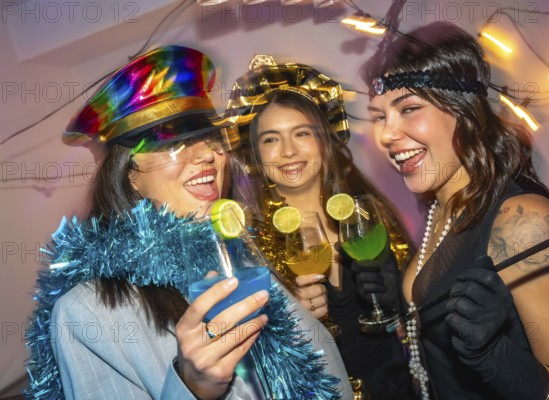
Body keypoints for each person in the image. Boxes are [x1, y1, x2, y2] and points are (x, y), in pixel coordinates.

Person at [24, 45, 353, 400]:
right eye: (174, 143)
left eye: (209, 138)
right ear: (129, 174)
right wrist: (192, 385)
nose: (207, 155)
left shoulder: (240, 258)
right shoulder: (86, 311)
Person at [361, 21, 549, 399]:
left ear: (464, 110)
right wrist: (405, 310)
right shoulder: (442, 207)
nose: (386, 135)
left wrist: (498, 358)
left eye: (408, 108)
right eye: (378, 116)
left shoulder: (525, 224)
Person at [226, 57, 416, 400]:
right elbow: (246, 366)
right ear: (255, 154)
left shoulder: (366, 215)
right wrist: (291, 319)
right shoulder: (250, 248)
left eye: (302, 133)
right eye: (271, 140)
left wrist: (400, 301)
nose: (288, 152)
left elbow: (422, 319)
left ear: (323, 140)